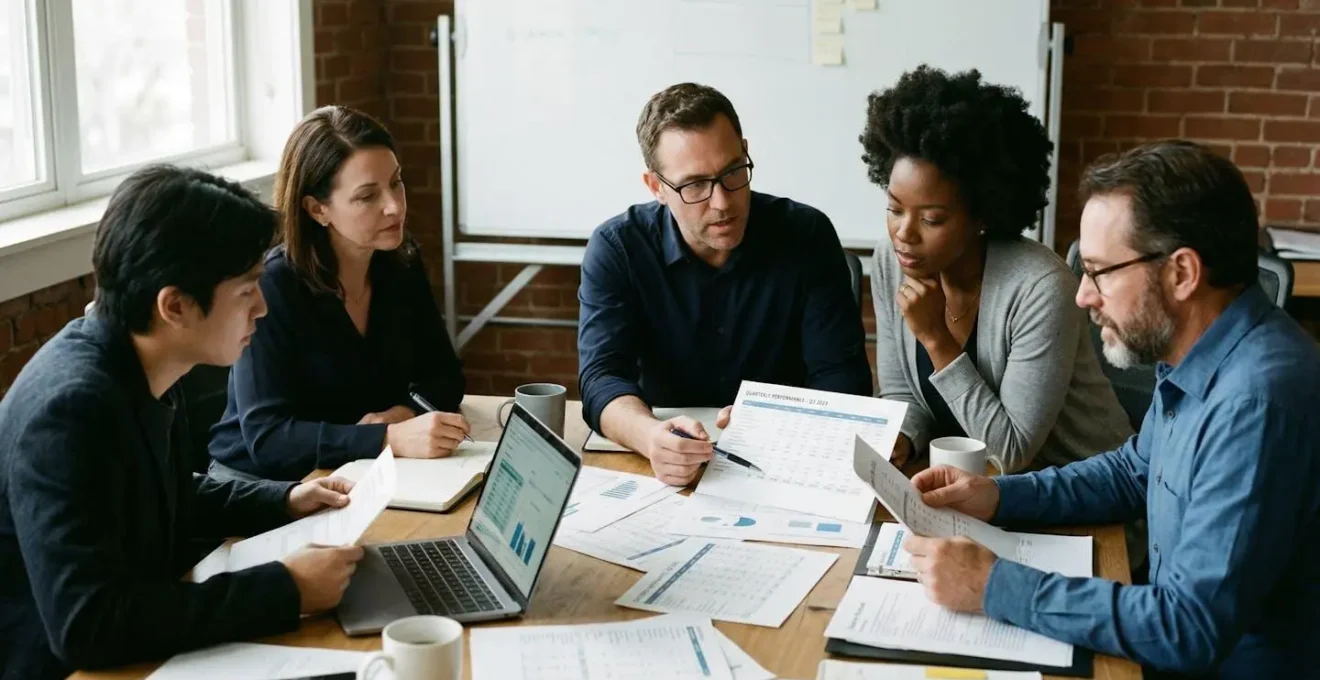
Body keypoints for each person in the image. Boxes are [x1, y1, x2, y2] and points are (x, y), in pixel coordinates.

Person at [902, 140, 1320, 678]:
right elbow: (1132, 471)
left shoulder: (1254, 405)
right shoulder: (1202, 351)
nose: (1083, 296)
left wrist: (993, 585)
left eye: (1098, 272)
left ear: (1182, 273)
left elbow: (1188, 628)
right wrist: (997, 495)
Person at [0, 166, 365, 680]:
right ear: (174, 306)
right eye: (247, 290)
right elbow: (87, 624)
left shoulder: (140, 358)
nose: (262, 308)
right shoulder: (70, 411)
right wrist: (287, 588)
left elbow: (162, 491)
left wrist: (283, 500)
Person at [577, 82, 872, 486]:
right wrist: (650, 437)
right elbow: (601, 377)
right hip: (663, 464)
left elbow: (843, 378)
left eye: (733, 172)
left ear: (745, 152)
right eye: (694, 185)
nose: (722, 202)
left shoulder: (806, 235)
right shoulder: (618, 248)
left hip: (785, 463)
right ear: (656, 187)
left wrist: (780, 419)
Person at [864, 65, 1132, 472]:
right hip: (978, 487)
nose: (904, 233)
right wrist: (901, 437)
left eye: (932, 219)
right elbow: (902, 392)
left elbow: (1010, 452)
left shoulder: (1041, 287)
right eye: (894, 209)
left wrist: (936, 338)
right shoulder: (892, 260)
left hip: (1081, 486)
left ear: (982, 216)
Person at [209, 106, 469, 482]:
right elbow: (268, 438)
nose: (394, 206)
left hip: (354, 470)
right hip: (259, 485)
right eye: (367, 196)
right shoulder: (273, 286)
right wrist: (386, 438)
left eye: (396, 182)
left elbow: (445, 376)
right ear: (318, 209)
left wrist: (402, 414)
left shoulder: (400, 262)